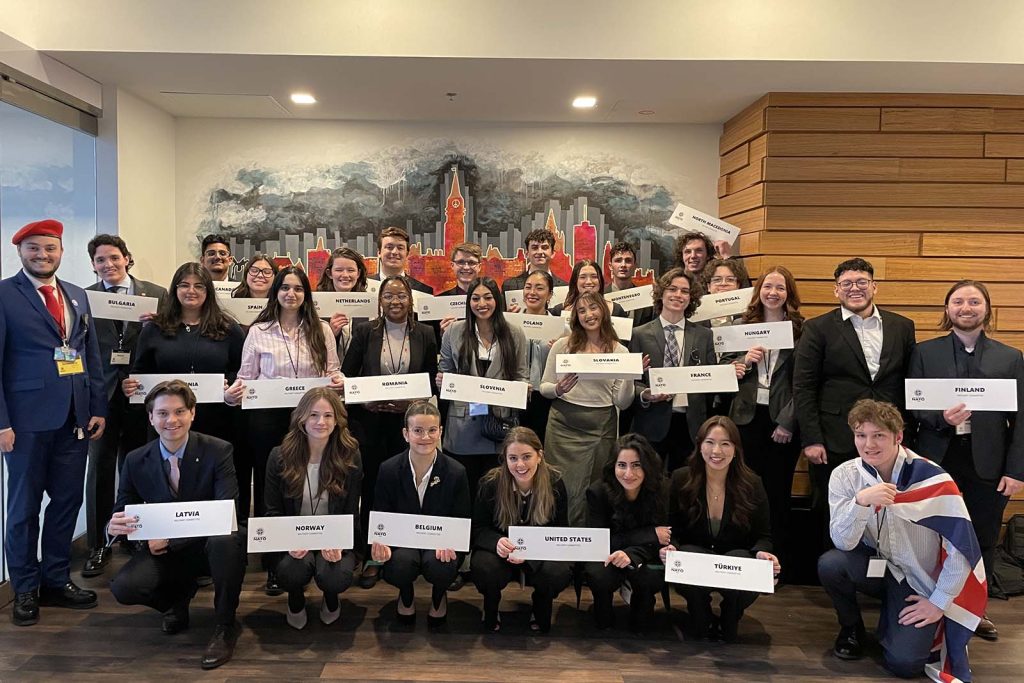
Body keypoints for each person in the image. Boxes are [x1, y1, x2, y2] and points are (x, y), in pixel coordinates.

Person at [817, 400, 985, 681]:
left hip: (915, 579)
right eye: (861, 435)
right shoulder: (845, 476)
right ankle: (852, 628)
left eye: (878, 435)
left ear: (898, 437)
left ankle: (893, 622)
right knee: (831, 564)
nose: (869, 444)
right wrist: (860, 502)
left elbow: (961, 549)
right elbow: (843, 542)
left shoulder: (933, 479)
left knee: (905, 664)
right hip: (873, 566)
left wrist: (938, 602)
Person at [0, 219, 106, 627]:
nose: (42, 255)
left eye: (50, 248)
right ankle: (25, 588)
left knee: (66, 503)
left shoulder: (76, 296)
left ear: (61, 252)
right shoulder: (6, 296)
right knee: (24, 508)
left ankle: (56, 579)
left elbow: (88, 354)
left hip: (74, 418)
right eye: (34, 249)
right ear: (20, 252)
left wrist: (97, 406)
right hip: (24, 423)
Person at [908, 280, 1024, 641]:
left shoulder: (1011, 357)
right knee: (932, 534)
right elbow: (913, 406)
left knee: (983, 537)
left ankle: (976, 609)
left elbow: (1021, 420)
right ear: (947, 310)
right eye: (958, 301)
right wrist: (942, 418)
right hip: (937, 457)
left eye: (974, 301)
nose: (966, 307)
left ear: (987, 308)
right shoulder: (925, 352)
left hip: (988, 462)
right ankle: (931, 601)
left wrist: (1017, 470)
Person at [107, 380, 246, 670]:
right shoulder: (135, 460)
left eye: (179, 411)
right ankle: (176, 602)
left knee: (227, 540)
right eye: (162, 413)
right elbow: (124, 508)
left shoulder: (218, 451)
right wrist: (117, 526)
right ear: (151, 418)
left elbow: (225, 511)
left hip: (209, 547)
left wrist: (172, 540)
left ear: (193, 413)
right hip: (162, 550)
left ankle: (224, 625)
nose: (171, 420)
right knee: (124, 587)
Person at [234, 265, 343, 593]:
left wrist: (339, 382)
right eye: (285, 288)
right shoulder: (259, 330)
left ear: (305, 295)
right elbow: (246, 375)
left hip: (311, 417)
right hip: (267, 417)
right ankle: (275, 563)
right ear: (276, 292)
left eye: (297, 289)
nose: (291, 294)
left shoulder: (321, 330)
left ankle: (314, 546)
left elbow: (333, 371)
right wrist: (233, 392)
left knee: (309, 481)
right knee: (273, 488)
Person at [793, 257, 916, 542]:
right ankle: (835, 576)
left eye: (861, 282)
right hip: (835, 438)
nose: (854, 288)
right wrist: (811, 438)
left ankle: (885, 579)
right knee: (833, 508)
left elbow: (910, 382)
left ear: (874, 286)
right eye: (846, 283)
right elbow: (804, 387)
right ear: (836, 290)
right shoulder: (818, 328)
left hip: (890, 439)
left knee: (892, 509)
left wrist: (908, 432)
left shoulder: (902, 326)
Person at [342, 275, 439, 588]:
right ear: (379, 300)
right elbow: (347, 378)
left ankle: (403, 551)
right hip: (370, 424)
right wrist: (365, 401)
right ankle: (372, 555)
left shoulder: (425, 333)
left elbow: (431, 379)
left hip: (408, 426)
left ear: (411, 300)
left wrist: (412, 402)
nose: (395, 302)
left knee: (407, 487)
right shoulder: (364, 332)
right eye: (388, 296)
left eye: (401, 296)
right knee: (372, 489)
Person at [123, 262, 246, 502]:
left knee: (212, 485)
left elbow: (240, 371)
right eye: (185, 285)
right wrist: (131, 386)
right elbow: (140, 372)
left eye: (199, 286)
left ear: (208, 291)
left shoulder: (228, 328)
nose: (192, 291)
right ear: (175, 289)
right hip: (169, 422)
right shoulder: (155, 329)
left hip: (216, 420)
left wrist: (231, 387)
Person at [82, 234, 167, 578]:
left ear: (127, 259)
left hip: (142, 395)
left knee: (138, 466)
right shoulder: (84, 299)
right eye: (101, 260)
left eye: (114, 258)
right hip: (101, 398)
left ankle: (135, 534)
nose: (108, 265)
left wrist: (156, 326)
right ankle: (99, 542)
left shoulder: (157, 295)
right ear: (93, 264)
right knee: (100, 468)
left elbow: (167, 341)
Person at [660, 416, 780, 642]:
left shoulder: (752, 483)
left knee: (743, 561)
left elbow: (763, 536)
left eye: (725, 443)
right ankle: (701, 615)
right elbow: (671, 528)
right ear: (699, 445)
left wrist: (763, 552)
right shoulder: (680, 478)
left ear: (736, 449)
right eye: (710, 442)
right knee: (689, 556)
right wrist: (671, 547)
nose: (717, 451)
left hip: (735, 556)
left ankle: (730, 616)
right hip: (695, 553)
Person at [727, 266, 804, 576]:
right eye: (767, 286)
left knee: (777, 492)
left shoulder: (802, 330)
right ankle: (742, 557)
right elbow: (721, 366)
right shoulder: (741, 326)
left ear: (789, 294)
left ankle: (774, 562)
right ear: (758, 291)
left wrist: (788, 422)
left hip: (781, 423)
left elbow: (806, 382)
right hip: (744, 419)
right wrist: (743, 361)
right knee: (743, 489)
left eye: (780, 288)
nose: (773, 292)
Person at [264, 387, 362, 629]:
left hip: (334, 537)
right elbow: (272, 511)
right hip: (294, 537)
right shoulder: (279, 456)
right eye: (314, 415)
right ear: (301, 419)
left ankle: (331, 597)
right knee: (291, 570)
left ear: (338, 420)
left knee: (334, 576)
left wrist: (338, 542)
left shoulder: (351, 454)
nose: (321, 422)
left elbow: (351, 511)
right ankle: (295, 598)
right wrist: (288, 542)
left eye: (328, 415)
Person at [371, 401, 471, 627]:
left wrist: (453, 543)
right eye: (417, 430)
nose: (425, 436)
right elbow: (381, 514)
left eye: (432, 430)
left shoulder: (456, 472)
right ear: (406, 434)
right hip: (402, 544)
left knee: (442, 564)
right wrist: (381, 542)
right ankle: (406, 594)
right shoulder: (388, 469)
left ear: (441, 432)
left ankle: (439, 594)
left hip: (441, 544)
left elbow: (462, 518)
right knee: (399, 564)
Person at [541, 292, 634, 525]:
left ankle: (587, 539)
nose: (588, 315)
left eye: (593, 308)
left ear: (604, 310)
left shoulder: (620, 351)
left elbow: (622, 402)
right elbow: (543, 386)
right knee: (560, 485)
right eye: (581, 311)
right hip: (563, 424)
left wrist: (629, 376)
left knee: (592, 487)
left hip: (601, 425)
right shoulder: (563, 345)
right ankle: (557, 536)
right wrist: (558, 389)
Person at [471, 427, 571, 633]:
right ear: (505, 459)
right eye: (513, 458)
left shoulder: (555, 483)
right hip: (501, 551)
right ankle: (491, 604)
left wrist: (531, 554)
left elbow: (560, 531)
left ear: (540, 456)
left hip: (540, 552)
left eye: (527, 457)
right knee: (484, 567)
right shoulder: (491, 483)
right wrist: (496, 542)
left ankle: (541, 603)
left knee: (558, 571)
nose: (520, 465)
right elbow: (478, 528)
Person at [438, 276, 529, 500]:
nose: (482, 304)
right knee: (462, 495)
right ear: (468, 302)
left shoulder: (514, 333)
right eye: (476, 298)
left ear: (497, 300)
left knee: (496, 496)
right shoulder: (454, 331)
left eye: (488, 297)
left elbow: (521, 375)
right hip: (463, 426)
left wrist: (522, 389)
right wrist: (442, 380)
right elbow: (444, 369)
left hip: (499, 428)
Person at [630, 268, 715, 472]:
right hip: (651, 424)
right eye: (672, 289)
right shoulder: (639, 334)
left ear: (691, 298)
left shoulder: (704, 335)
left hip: (690, 424)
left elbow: (712, 383)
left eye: (685, 291)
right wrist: (646, 395)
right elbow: (629, 383)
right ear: (661, 293)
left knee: (686, 488)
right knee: (651, 486)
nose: (678, 295)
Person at [585, 433, 669, 632]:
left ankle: (642, 603)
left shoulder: (663, 488)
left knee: (650, 583)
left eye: (636, 465)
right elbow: (598, 542)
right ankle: (603, 608)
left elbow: (665, 537)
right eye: (622, 465)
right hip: (606, 554)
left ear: (647, 466)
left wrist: (631, 554)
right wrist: (648, 534)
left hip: (645, 556)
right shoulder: (597, 492)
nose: (628, 473)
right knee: (598, 576)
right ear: (613, 466)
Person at [520, 270, 557, 442]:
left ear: (550, 294)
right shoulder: (509, 324)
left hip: (547, 398)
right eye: (528, 287)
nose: (532, 293)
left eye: (539, 288)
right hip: (516, 394)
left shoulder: (562, 329)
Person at [316, 246, 369, 359]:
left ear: (358, 273)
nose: (345, 275)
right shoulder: (317, 304)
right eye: (339, 270)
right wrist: (330, 334)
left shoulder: (368, 305)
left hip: (360, 374)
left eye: (351, 270)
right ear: (329, 273)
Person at [550, 259, 626, 319]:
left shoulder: (616, 310)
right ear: (575, 281)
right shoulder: (559, 311)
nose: (589, 282)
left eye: (594, 277)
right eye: (583, 277)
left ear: (600, 281)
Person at [436, 241, 483, 337]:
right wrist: (443, 334)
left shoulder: (493, 300)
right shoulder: (439, 302)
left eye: (471, 263)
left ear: (479, 267)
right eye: (461, 262)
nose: (466, 267)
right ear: (452, 266)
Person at [500, 228, 568, 294]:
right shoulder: (510, 287)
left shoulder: (565, 287)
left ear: (552, 253)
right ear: (527, 254)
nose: (540, 252)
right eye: (535, 248)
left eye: (544, 248)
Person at [370, 226, 433, 294]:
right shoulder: (363, 286)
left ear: (407, 253)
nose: (395, 252)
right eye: (389, 247)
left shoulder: (423, 290)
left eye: (400, 248)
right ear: (379, 252)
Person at [606, 241, 654, 328]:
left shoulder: (646, 299)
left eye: (628, 261)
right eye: (618, 260)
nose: (623, 265)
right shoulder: (600, 296)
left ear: (635, 265)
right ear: (610, 266)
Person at [700, 257, 751, 328]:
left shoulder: (748, 316)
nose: (723, 283)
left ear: (738, 286)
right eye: (717, 280)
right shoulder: (697, 317)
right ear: (709, 287)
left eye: (730, 280)